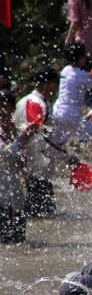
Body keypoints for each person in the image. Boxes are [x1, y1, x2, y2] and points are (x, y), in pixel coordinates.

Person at [15, 67, 66, 217]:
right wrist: (66, 157)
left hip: (30, 167)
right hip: (38, 167)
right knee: (44, 215)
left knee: (37, 215)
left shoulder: (25, 101)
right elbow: (40, 139)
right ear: (48, 84)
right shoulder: (38, 104)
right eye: (55, 84)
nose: (57, 88)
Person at [0, 91, 38, 244]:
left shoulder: (17, 132)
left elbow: (23, 164)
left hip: (16, 195)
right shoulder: (19, 135)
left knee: (19, 244)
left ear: (12, 110)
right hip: (1, 197)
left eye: (5, 107)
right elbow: (7, 152)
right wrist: (24, 138)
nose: (2, 112)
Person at [52, 41, 92, 149]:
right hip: (71, 115)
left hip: (57, 111)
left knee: (58, 144)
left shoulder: (64, 70)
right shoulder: (84, 76)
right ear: (82, 58)